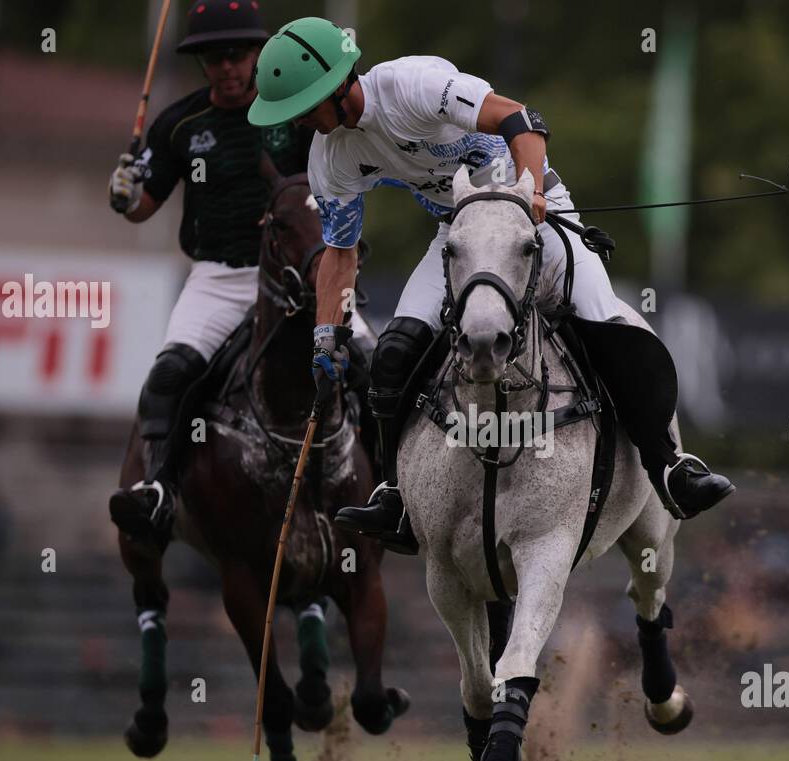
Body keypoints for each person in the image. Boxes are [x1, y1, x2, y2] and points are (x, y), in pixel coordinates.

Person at [248, 17, 734, 555]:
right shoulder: (329, 155)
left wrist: (528, 194)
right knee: (394, 352)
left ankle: (668, 467)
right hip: (459, 231)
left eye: (303, 108)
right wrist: (325, 337)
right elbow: (339, 255)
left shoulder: (413, 86)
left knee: (605, 320)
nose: (297, 123)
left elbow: (522, 119)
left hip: (532, 211)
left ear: (337, 86)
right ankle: (396, 493)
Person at [106, 0, 316, 548]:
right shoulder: (180, 125)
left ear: (258, 54)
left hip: (296, 276)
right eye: (212, 58)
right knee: (168, 377)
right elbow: (143, 206)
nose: (226, 67)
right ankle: (158, 490)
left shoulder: (293, 114)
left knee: (365, 364)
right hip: (218, 277)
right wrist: (124, 194)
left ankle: (387, 488)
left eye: (237, 55)